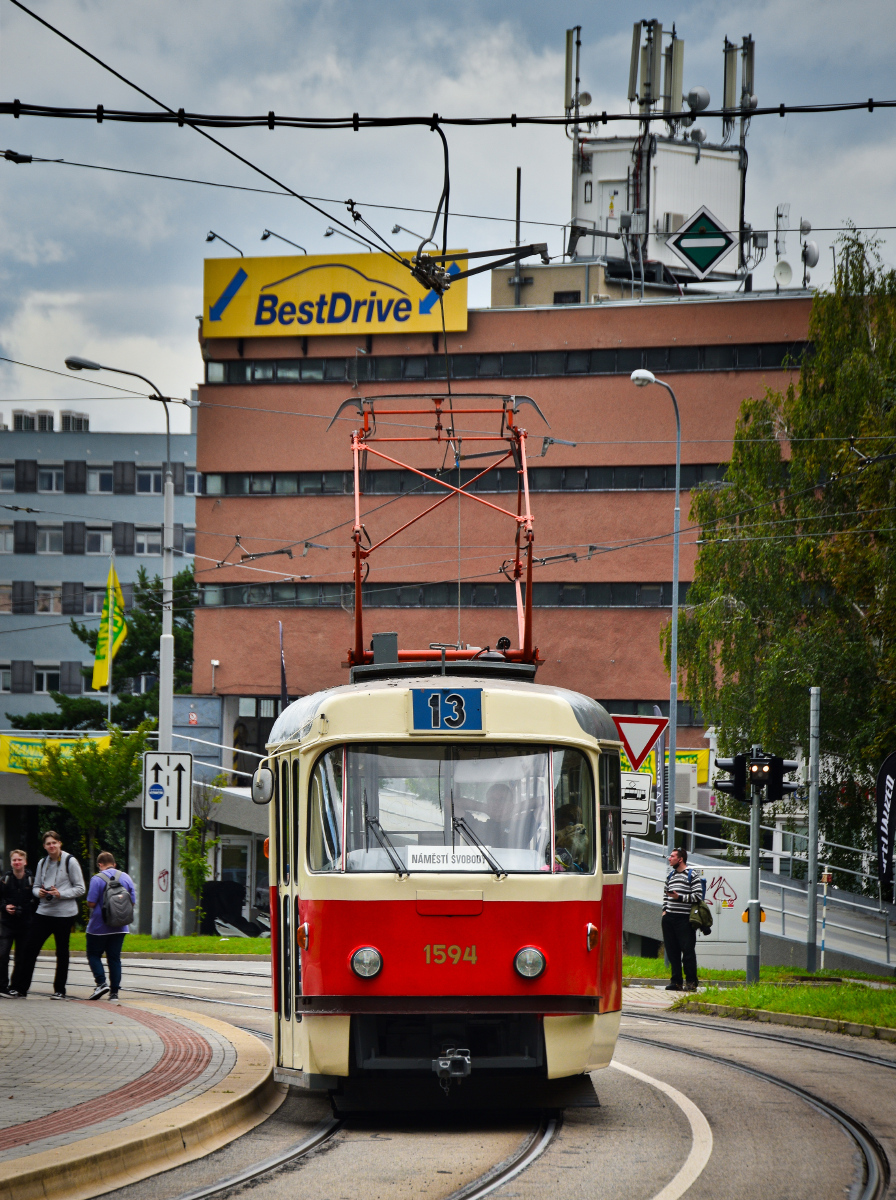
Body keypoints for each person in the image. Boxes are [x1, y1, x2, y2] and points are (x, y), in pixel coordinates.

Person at [17, 831, 85, 999]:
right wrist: (37, 892)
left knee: (62, 952)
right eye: (48, 844)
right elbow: (36, 885)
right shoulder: (43, 862)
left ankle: (60, 990)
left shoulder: (70, 861)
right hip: (44, 911)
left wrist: (60, 893)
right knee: (30, 949)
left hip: (64, 914)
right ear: (44, 846)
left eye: (54, 842)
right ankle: (21, 988)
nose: (52, 846)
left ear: (60, 843)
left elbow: (80, 888)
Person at [85, 851, 137, 1001]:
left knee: (94, 954)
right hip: (120, 927)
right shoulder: (126, 877)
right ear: (114, 864)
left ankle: (101, 983)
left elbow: (92, 903)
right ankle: (114, 993)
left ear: (100, 865)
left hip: (98, 928)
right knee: (114, 958)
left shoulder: (97, 879)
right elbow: (132, 902)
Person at [661, 846, 703, 992]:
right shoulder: (670, 876)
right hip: (669, 919)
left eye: (672, 856)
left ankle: (691, 982)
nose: (669, 858)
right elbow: (665, 895)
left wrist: (679, 897)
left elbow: (698, 896)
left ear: (680, 859)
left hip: (684, 920)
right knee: (672, 952)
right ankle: (676, 981)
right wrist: (664, 910)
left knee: (688, 951)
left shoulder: (692, 875)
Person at [0, 850, 36, 997]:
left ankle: (16, 986)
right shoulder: (5, 879)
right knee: (2, 954)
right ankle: (2, 986)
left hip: (25, 924)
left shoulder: (31, 880)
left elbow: (37, 902)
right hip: (7, 923)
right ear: (11, 862)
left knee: (21, 957)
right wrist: (5, 907)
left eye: (19, 860)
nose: (17, 862)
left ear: (25, 862)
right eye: (14, 860)